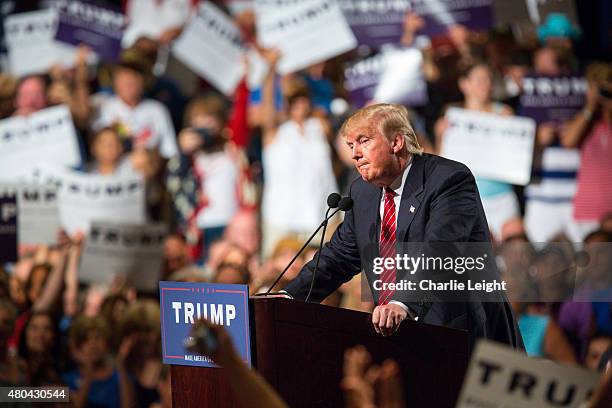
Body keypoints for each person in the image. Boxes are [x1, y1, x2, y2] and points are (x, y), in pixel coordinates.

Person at [283, 103, 523, 350]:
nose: (355, 154)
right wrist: (288, 297)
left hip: (462, 334)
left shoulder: (448, 180)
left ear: (396, 143)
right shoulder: (362, 192)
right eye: (350, 145)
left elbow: (441, 251)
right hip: (399, 337)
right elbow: (339, 256)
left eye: (363, 141)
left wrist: (402, 303)